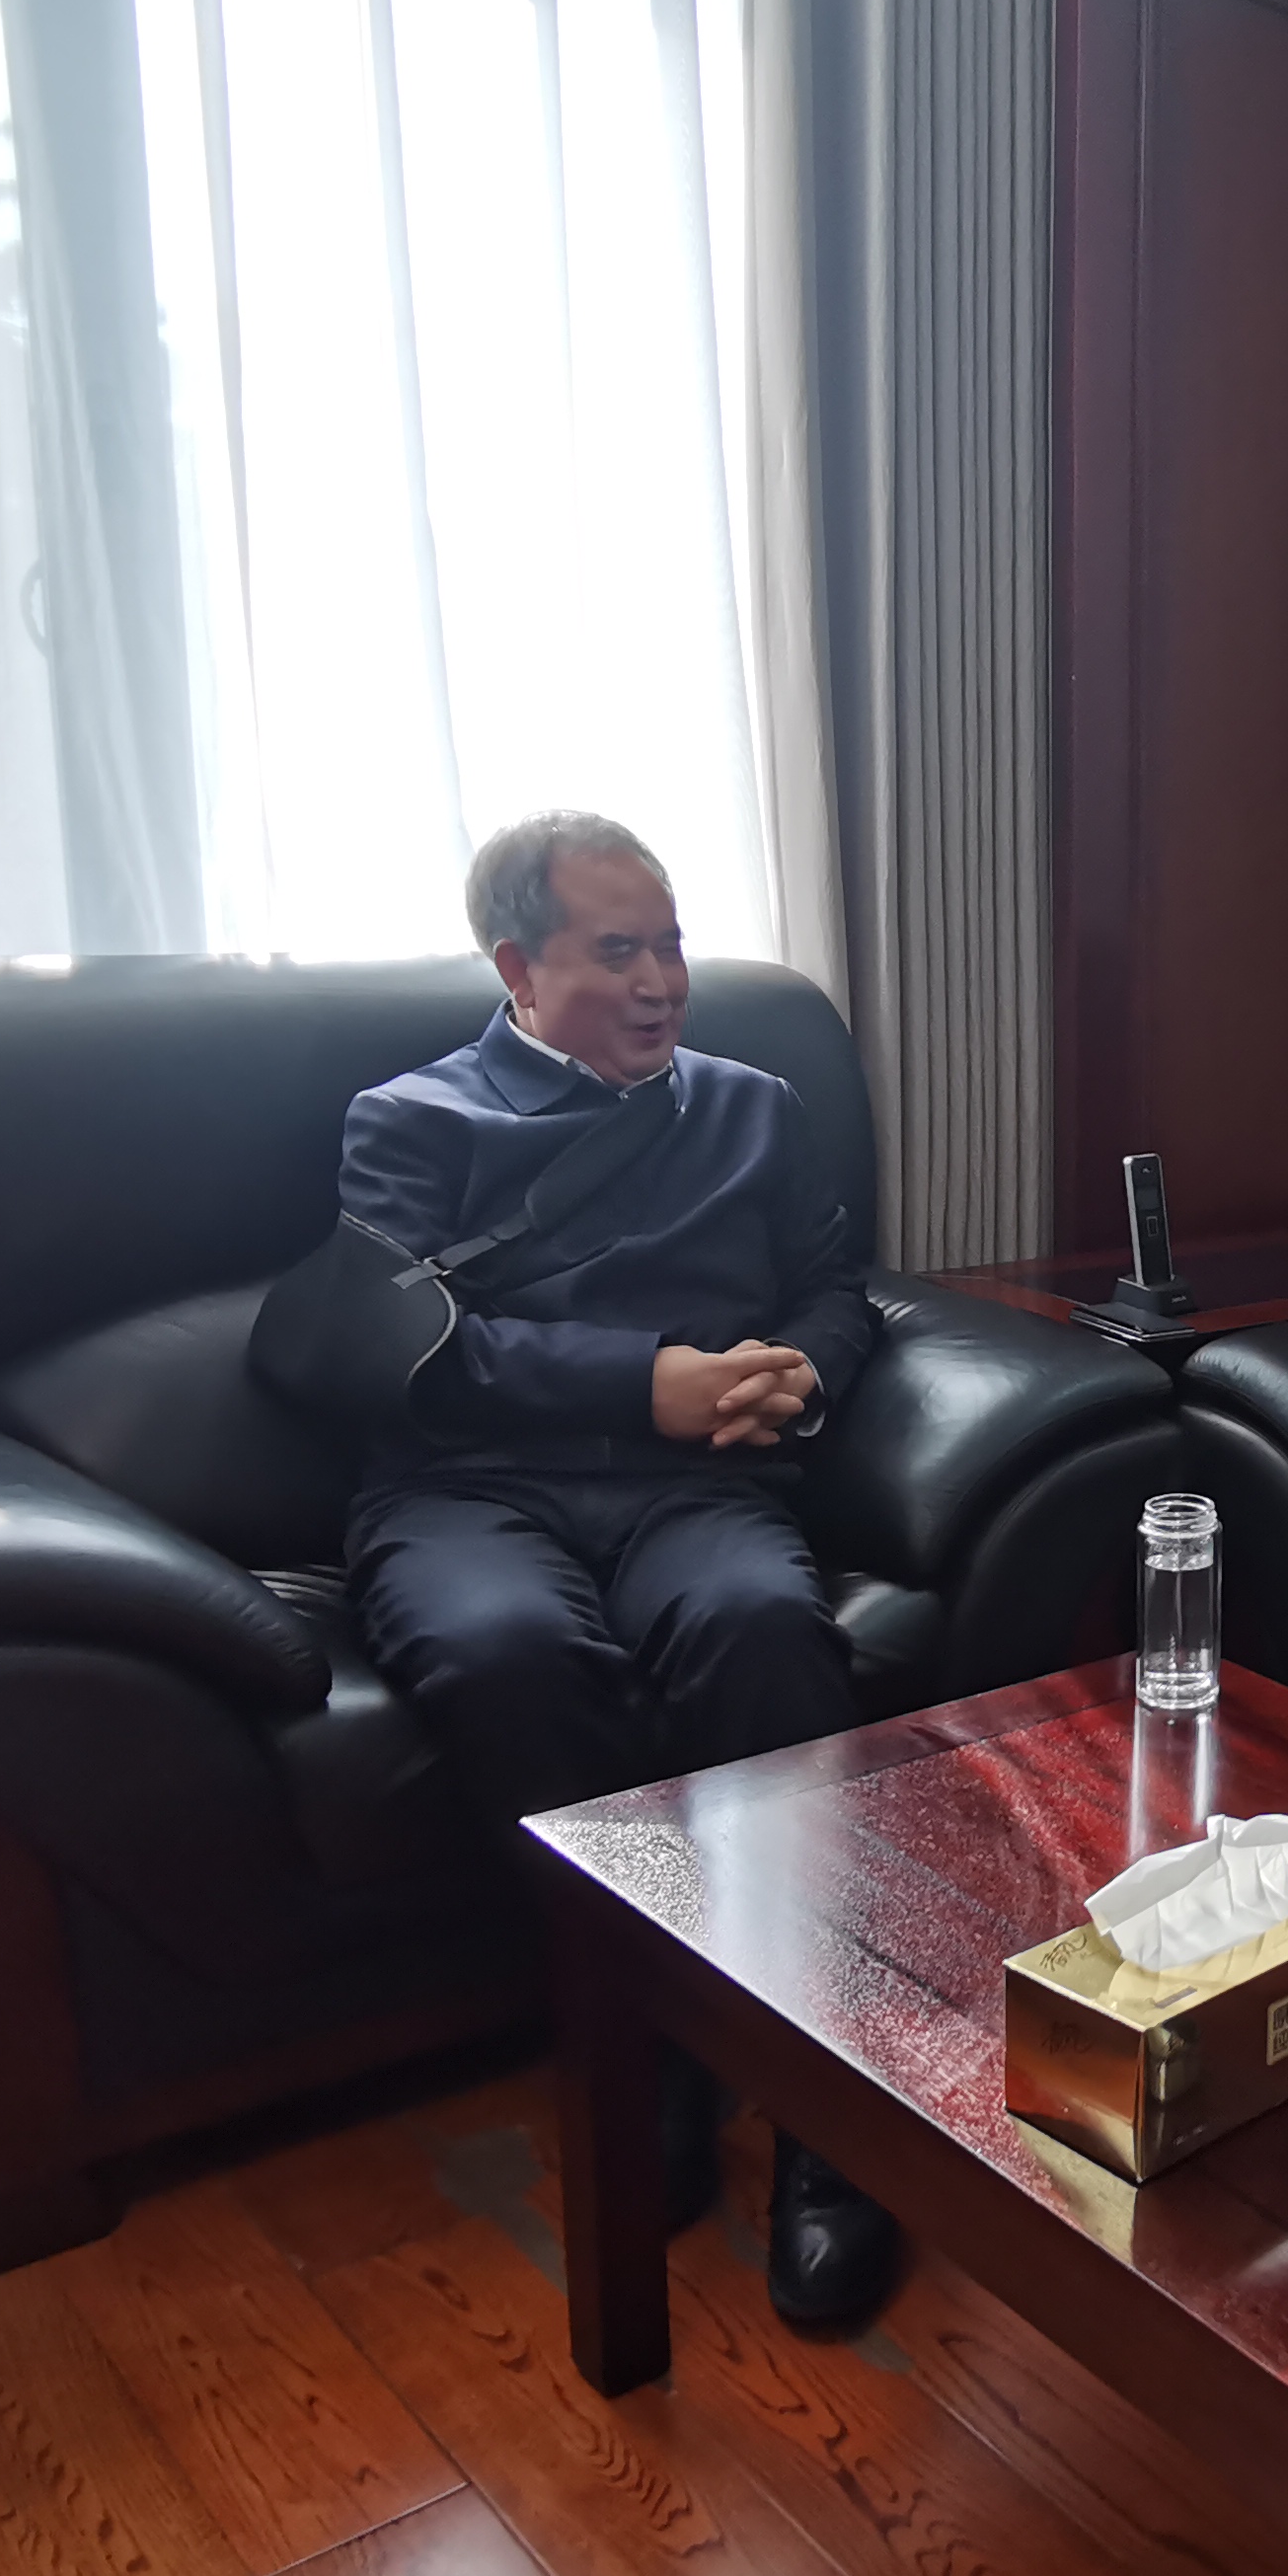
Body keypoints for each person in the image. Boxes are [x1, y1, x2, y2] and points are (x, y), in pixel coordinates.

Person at [341, 809, 903, 2329]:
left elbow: (837, 1287)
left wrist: (802, 1372)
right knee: (507, 1655)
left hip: (693, 1488)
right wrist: (639, 1380)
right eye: (617, 952)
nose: (662, 983)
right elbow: (403, 1352)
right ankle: (648, 2048)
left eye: (672, 946)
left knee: (765, 1628)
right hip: (471, 1491)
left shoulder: (753, 1108)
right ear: (518, 968)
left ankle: (826, 2103)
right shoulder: (410, 1121)